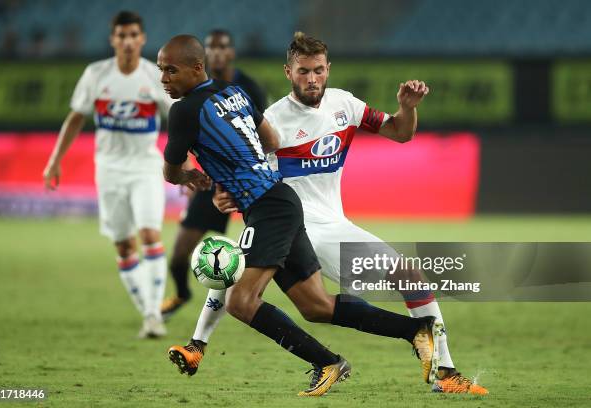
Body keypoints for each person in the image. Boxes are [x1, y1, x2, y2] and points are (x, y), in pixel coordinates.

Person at [173, 32, 488, 395]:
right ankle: (438, 366)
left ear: (328, 70)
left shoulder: (345, 105)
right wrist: (225, 193)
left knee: (327, 297)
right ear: (288, 72)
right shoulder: (272, 121)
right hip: (298, 224)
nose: (312, 79)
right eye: (303, 71)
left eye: (319, 71)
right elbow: (246, 170)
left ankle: (442, 371)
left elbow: (400, 132)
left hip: (334, 224)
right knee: (246, 283)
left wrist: (408, 107)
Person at [43, 11, 172, 338]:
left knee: (149, 235)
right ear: (113, 39)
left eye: (133, 35)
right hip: (110, 171)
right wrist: (55, 160)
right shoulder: (96, 74)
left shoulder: (153, 75)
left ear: (142, 39)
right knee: (125, 246)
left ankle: (154, 314)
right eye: (121, 36)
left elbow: (179, 120)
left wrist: (187, 162)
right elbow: (75, 119)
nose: (127, 41)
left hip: (145, 166)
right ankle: (148, 312)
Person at [161, 29, 267, 320]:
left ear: (231, 52)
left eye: (222, 47)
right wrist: (190, 176)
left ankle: (252, 301)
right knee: (180, 253)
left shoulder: (246, 88)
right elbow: (181, 152)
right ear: (202, 56)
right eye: (211, 48)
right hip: (211, 182)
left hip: (250, 182)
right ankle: (181, 293)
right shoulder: (188, 100)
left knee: (269, 253)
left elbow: (265, 139)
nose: (217, 53)